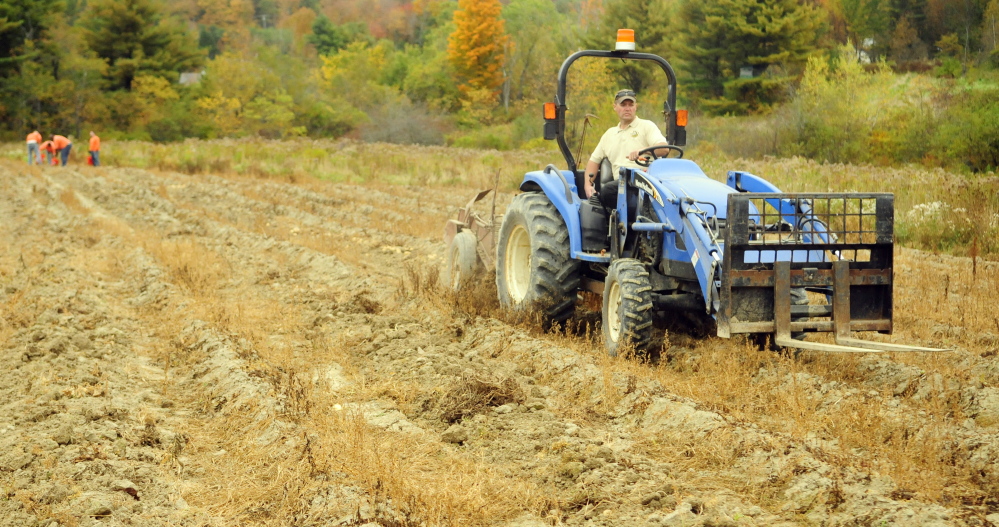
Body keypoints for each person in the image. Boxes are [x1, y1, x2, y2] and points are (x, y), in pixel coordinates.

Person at [583, 89, 671, 203]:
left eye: (631, 104)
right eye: (623, 105)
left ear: (636, 107)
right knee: (607, 191)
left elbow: (664, 148)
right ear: (615, 107)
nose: (627, 108)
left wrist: (643, 151)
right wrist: (587, 185)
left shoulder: (646, 126)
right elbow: (594, 161)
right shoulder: (609, 134)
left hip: (646, 182)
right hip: (621, 183)